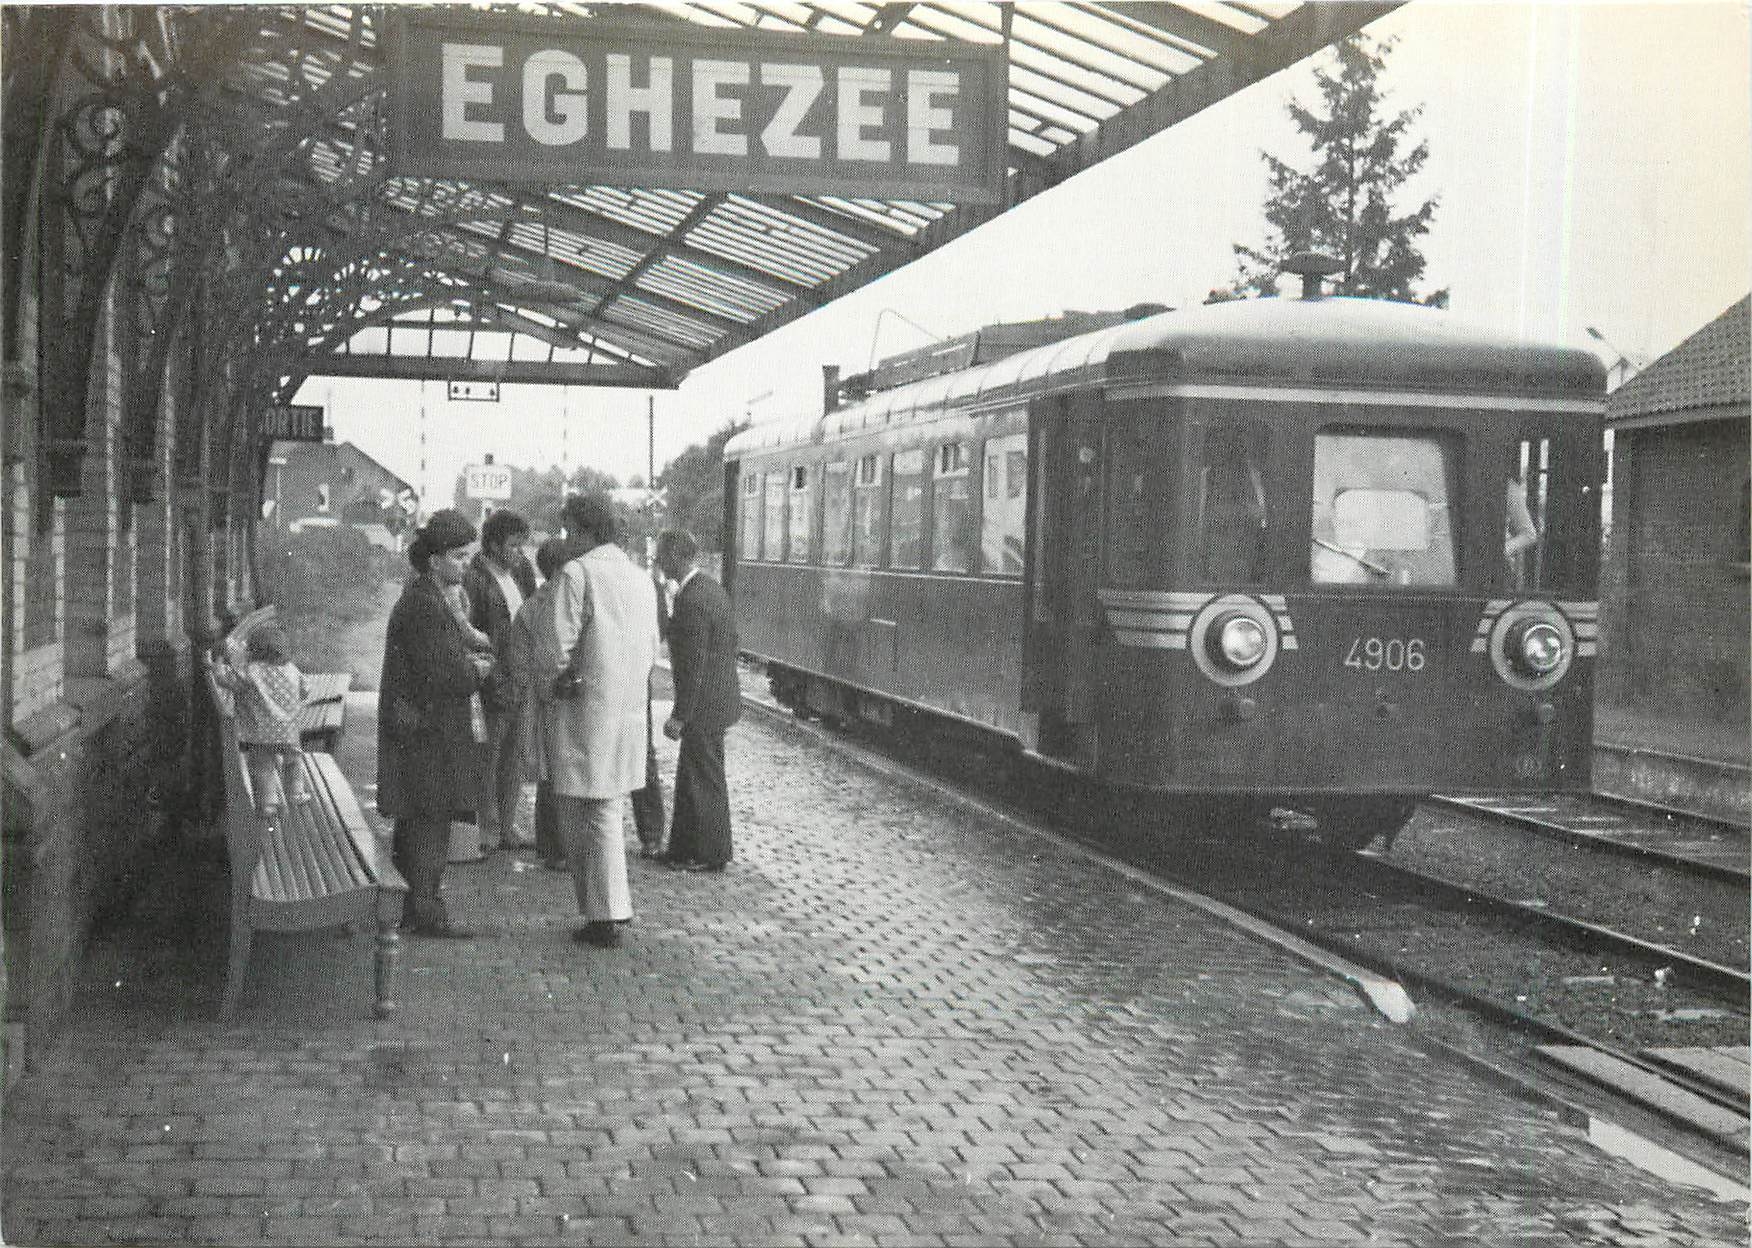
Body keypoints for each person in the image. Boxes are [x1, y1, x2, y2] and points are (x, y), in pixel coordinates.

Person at [538, 493, 661, 948]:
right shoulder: (639, 577)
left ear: (584, 530)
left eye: (570, 529)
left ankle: (606, 915)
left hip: (584, 710)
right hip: (626, 711)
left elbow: (558, 645)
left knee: (591, 813)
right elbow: (651, 647)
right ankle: (606, 910)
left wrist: (555, 682)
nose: (567, 539)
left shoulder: (578, 573)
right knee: (605, 808)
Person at [377, 509, 494, 939]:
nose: (465, 565)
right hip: (429, 734)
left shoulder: (425, 597)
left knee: (418, 819)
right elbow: (450, 676)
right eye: (459, 557)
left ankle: (413, 908)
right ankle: (426, 913)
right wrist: (479, 669)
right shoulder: (426, 606)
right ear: (435, 559)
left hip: (419, 730)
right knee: (430, 818)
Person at [654, 529, 741, 873]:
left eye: (662, 554)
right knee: (695, 773)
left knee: (703, 777)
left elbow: (692, 666)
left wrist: (680, 715)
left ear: (676, 555)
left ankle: (710, 853)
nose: (658, 561)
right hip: (718, 698)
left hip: (705, 703)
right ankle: (685, 849)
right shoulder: (709, 589)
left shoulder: (692, 599)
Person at [463, 509, 538, 852]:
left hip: (521, 678)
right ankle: (487, 825)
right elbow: (470, 631)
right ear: (492, 545)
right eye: (512, 545)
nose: (519, 553)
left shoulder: (521, 571)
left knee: (515, 756)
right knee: (488, 757)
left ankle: (508, 824)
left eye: (522, 546)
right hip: (493, 681)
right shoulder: (474, 578)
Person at [508, 536, 574, 872]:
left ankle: (550, 845)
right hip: (557, 699)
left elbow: (517, 659)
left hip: (535, 698)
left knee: (548, 771)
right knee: (561, 772)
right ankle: (561, 846)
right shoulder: (562, 607)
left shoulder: (531, 606)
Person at [211, 621, 310, 813]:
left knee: (263, 768)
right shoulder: (291, 669)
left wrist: (217, 667)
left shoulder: (251, 671)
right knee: (293, 761)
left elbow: (227, 681)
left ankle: (268, 803)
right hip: (289, 732)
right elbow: (305, 690)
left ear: (254, 651)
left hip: (259, 734)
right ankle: (296, 793)